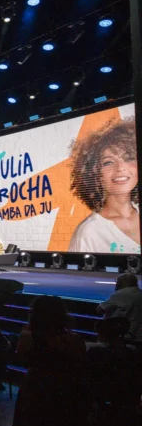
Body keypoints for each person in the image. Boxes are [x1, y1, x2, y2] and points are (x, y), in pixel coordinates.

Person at [12, 296, 89, 426]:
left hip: (36, 390)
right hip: (65, 393)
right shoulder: (74, 340)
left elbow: (21, 357)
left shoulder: (28, 337)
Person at [68, 117, 140, 253]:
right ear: (93, 172)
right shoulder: (89, 232)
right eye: (108, 162)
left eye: (128, 158)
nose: (121, 168)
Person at [98, 273, 142, 340]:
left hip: (122, 335)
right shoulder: (139, 293)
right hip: (138, 335)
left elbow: (100, 309)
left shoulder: (121, 294)